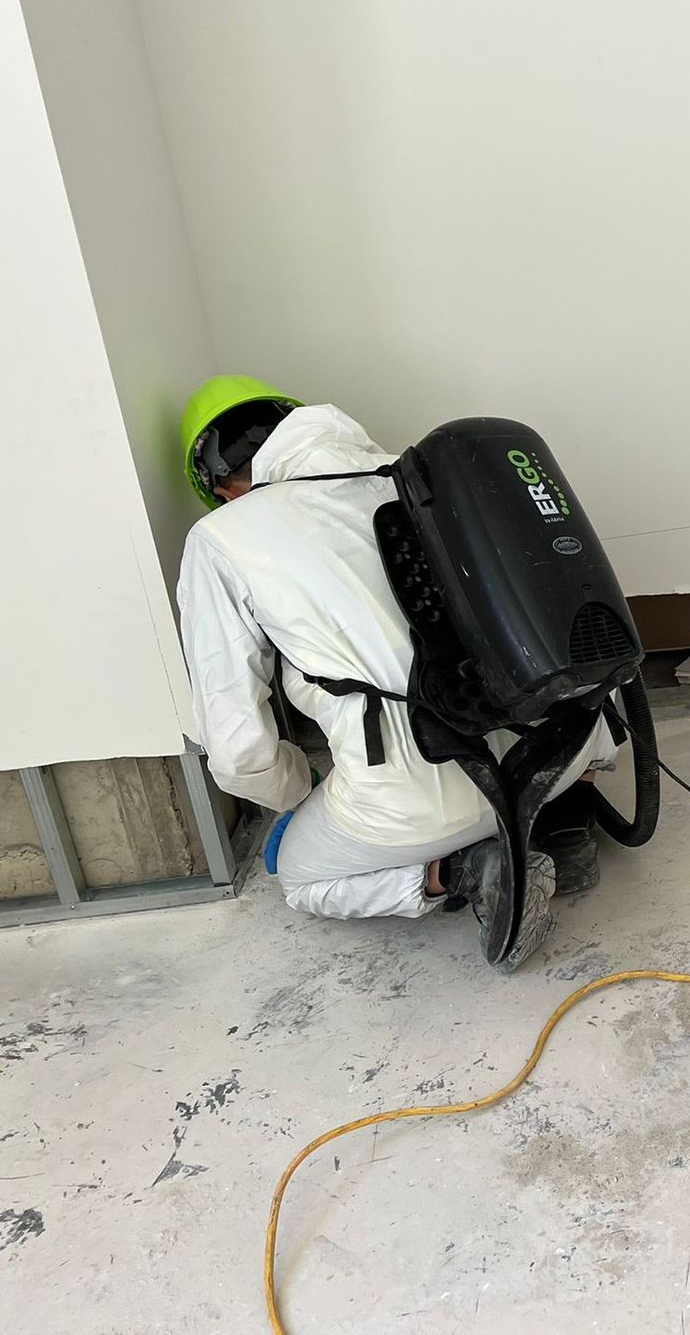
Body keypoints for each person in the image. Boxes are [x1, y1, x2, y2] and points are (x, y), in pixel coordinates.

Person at [174, 377, 615, 965]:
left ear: (224, 487)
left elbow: (239, 755)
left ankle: (462, 869)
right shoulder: (427, 475)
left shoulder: (220, 540)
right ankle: (569, 819)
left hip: (417, 808)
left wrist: (303, 793)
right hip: (561, 753)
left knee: (300, 879)